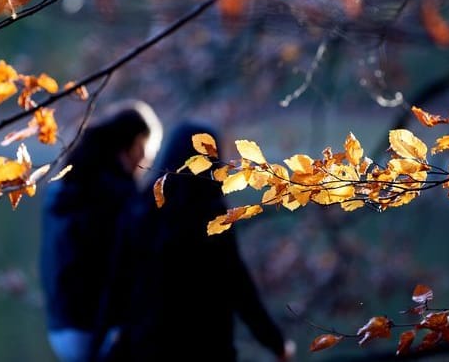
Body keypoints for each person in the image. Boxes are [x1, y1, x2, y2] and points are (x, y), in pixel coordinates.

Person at [100, 121, 295, 362]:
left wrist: (107, 335)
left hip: (147, 344)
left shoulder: (142, 211)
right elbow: (240, 288)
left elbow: (118, 281)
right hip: (207, 346)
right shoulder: (213, 220)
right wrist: (276, 344)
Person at [39, 101, 161, 362]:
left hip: (60, 328)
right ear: (137, 144)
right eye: (148, 150)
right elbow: (121, 268)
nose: (148, 160)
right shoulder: (118, 194)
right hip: (96, 330)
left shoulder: (64, 187)